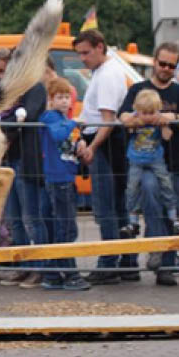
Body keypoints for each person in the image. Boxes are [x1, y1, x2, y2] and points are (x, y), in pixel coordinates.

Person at [118, 42, 179, 286]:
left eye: (172, 65)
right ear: (154, 62)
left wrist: (169, 117)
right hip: (145, 160)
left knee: (173, 212)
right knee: (151, 203)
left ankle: (166, 266)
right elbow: (123, 115)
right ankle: (154, 253)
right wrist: (134, 119)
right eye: (162, 63)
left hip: (175, 160)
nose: (166, 68)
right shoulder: (138, 89)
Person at [73, 29, 135, 284]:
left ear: (100, 47)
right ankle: (127, 261)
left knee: (106, 206)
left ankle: (110, 261)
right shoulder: (103, 72)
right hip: (105, 142)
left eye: (86, 52)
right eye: (79, 54)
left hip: (105, 145)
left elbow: (107, 121)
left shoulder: (108, 75)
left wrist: (92, 147)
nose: (82, 59)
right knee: (116, 205)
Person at [0, 79, 51, 289]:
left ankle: (41, 267)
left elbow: (24, 116)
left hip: (27, 160)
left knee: (31, 217)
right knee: (15, 219)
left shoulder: (36, 87)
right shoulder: (13, 88)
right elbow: (7, 118)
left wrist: (6, 124)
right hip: (10, 159)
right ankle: (22, 264)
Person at [37, 77, 90, 290]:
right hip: (58, 178)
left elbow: (69, 140)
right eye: (59, 97)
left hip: (66, 176)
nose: (64, 101)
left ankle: (53, 274)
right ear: (51, 99)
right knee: (65, 228)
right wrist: (74, 123)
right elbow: (59, 135)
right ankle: (69, 273)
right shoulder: (51, 117)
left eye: (67, 97)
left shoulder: (62, 118)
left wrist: (80, 142)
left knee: (59, 226)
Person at [119, 89, 179, 241]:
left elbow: (167, 137)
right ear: (138, 110)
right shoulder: (135, 118)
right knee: (132, 189)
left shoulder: (159, 120)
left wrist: (164, 125)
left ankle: (173, 217)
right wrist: (133, 121)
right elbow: (126, 123)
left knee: (166, 184)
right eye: (145, 113)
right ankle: (133, 221)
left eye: (152, 112)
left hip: (156, 160)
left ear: (158, 110)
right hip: (136, 161)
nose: (148, 117)